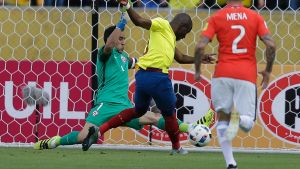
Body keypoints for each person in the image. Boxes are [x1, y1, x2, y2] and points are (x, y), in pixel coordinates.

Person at [33, 14, 214, 151]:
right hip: (105, 105)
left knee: (153, 117)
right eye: (120, 38)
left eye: (124, 38)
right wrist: (122, 22)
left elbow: (146, 62)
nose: (123, 41)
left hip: (124, 107)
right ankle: (54, 141)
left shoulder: (124, 58)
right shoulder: (104, 54)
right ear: (110, 39)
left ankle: (193, 127)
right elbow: (110, 45)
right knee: (82, 137)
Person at [81, 0, 216, 154]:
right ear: (183, 27)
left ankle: (99, 131)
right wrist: (128, 6)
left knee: (137, 111)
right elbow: (139, 21)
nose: (184, 37)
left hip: (143, 76)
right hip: (158, 77)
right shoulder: (162, 24)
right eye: (186, 33)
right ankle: (177, 147)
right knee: (170, 115)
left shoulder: (169, 38)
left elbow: (180, 57)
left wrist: (199, 58)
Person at [194, 0, 276, 168]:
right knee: (248, 125)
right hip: (246, 74)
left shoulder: (216, 17)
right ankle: (236, 119)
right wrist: (268, 70)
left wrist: (197, 70)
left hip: (222, 73)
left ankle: (230, 163)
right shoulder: (255, 17)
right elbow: (271, 45)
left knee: (222, 118)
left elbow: (200, 46)